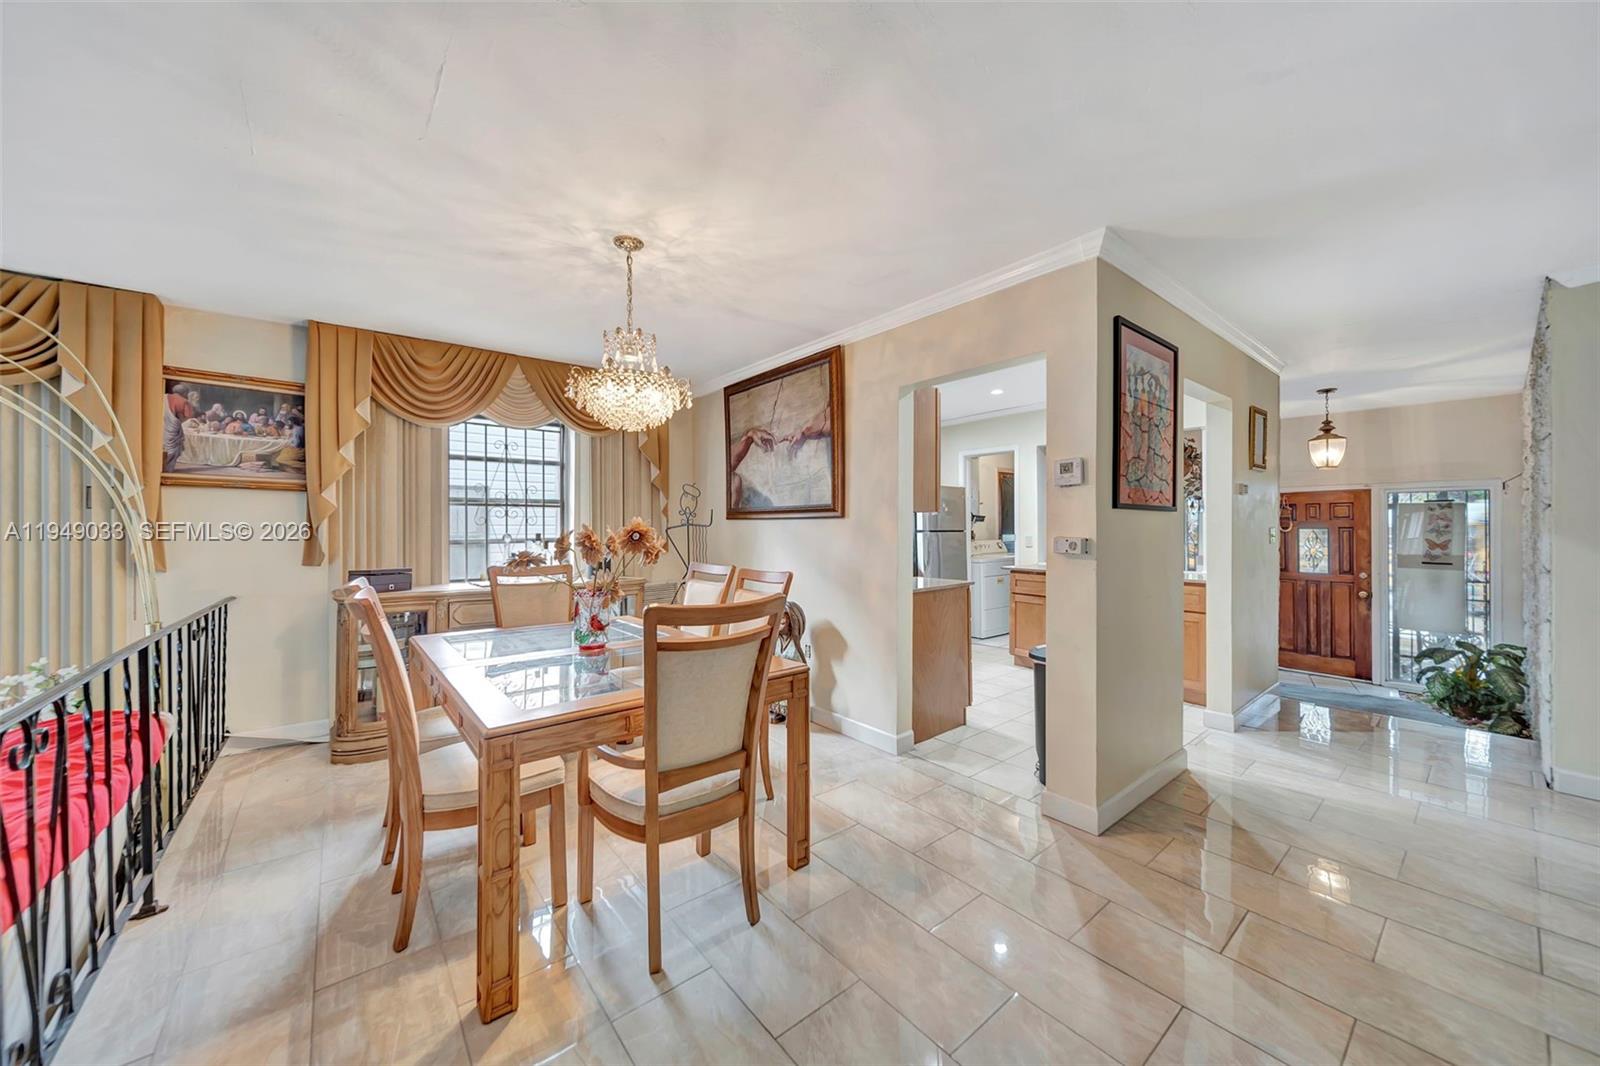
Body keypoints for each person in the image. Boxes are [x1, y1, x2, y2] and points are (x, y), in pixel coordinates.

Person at [162, 382, 197, 471]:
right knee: (173, 449)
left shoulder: (163, 396)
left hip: (161, 426)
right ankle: (168, 469)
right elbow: (188, 416)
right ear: (185, 393)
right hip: (172, 428)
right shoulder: (184, 401)